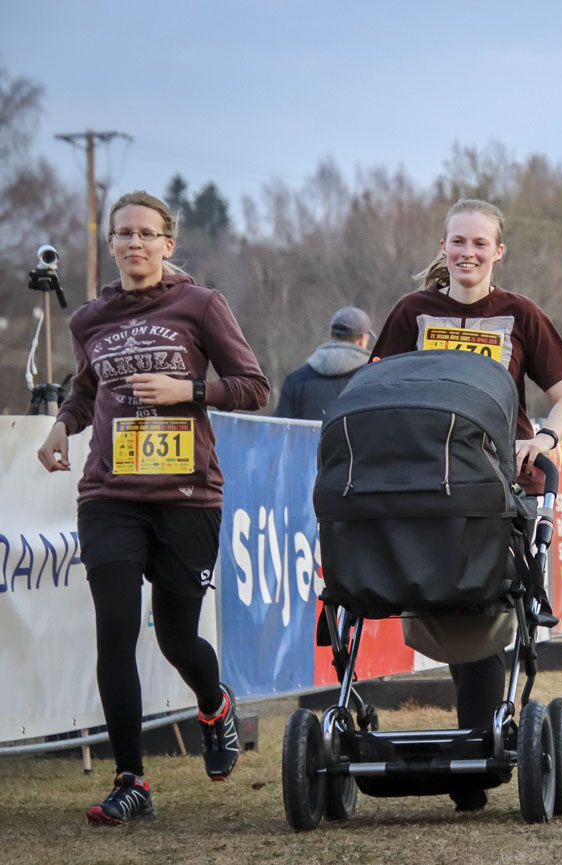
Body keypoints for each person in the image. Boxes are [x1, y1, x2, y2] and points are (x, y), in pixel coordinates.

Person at [36, 190, 270, 824]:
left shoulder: (200, 305)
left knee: (174, 637)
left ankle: (214, 703)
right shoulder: (89, 318)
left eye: (146, 234)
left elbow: (254, 387)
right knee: (113, 630)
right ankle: (130, 781)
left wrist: (186, 389)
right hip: (110, 496)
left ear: (168, 244)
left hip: (187, 497)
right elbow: (87, 387)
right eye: (123, 234)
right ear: (110, 243)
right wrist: (63, 424)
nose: (134, 243)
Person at [370, 198, 562, 812]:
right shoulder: (411, 313)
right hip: (424, 482)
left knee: (485, 598)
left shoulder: (519, 314)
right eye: (457, 242)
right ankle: (472, 745)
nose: (467, 253)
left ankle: (476, 746)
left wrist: (541, 438)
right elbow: (375, 387)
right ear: (443, 248)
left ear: (498, 252)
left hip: (497, 483)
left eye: (479, 244)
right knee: (446, 595)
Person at [275, 306, 374, 420]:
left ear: (332, 335)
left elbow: (279, 431)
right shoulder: (374, 379)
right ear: (362, 339)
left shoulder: (295, 380)